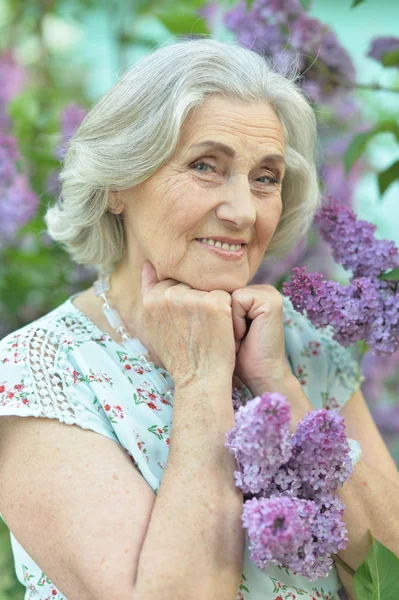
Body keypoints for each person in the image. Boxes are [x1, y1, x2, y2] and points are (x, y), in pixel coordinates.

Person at [0, 37, 398, 600]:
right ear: (119, 182)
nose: (242, 211)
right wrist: (201, 379)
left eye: (266, 177)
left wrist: (278, 385)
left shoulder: (305, 349)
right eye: (206, 166)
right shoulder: (37, 373)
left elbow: (392, 563)